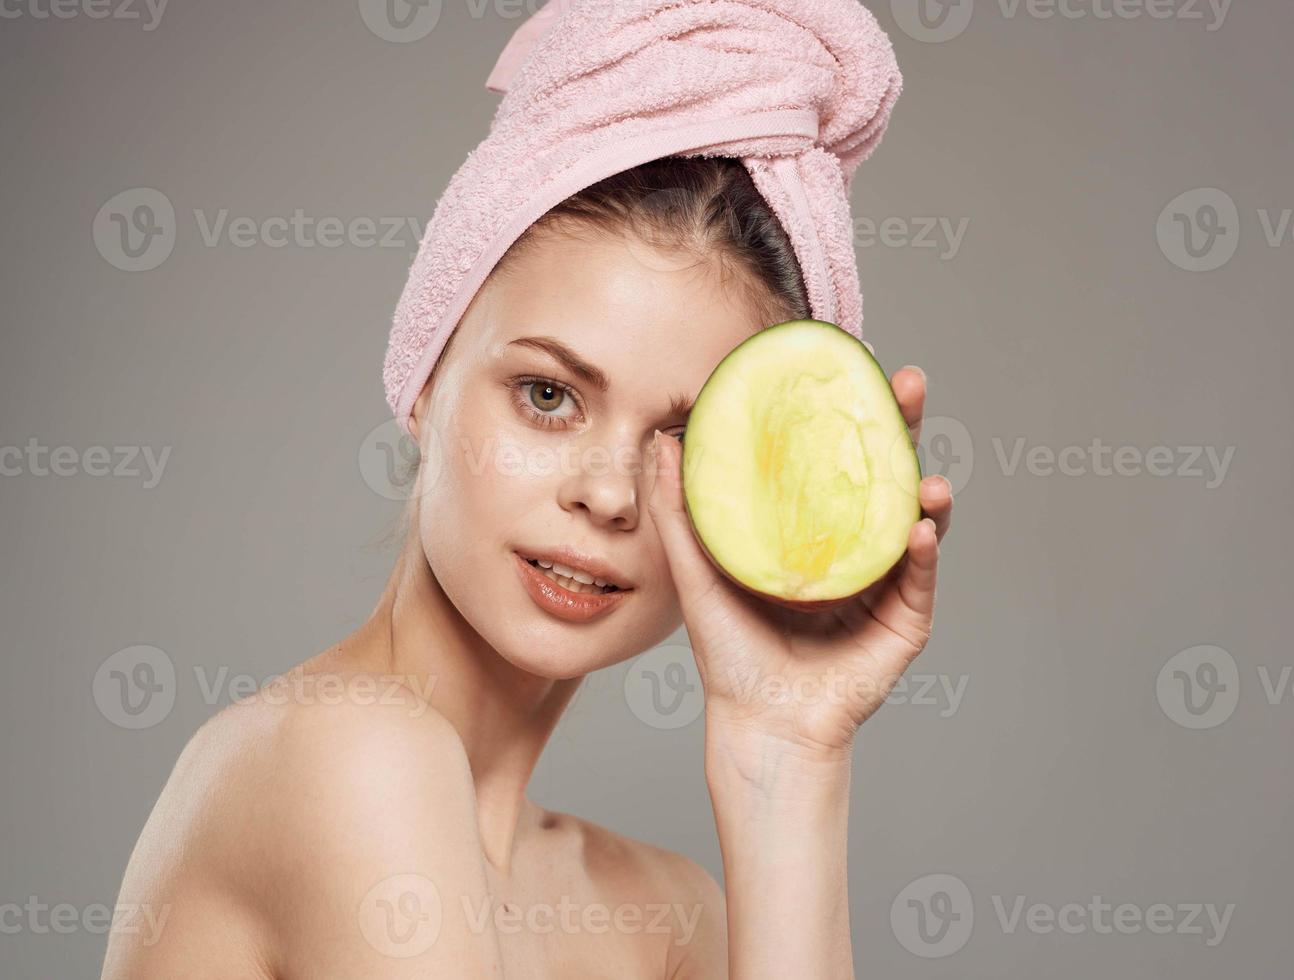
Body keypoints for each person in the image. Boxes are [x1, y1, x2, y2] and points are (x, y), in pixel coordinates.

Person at [103, 3, 954, 978]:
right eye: (548, 395)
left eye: (681, 436)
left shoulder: (663, 913)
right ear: (424, 374)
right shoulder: (350, 755)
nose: (608, 493)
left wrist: (788, 755)